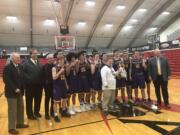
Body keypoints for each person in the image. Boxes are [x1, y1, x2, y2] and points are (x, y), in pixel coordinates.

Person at [3, 52, 29, 134]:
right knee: (12, 111)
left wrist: (23, 88)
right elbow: (6, 80)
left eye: (19, 57)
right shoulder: (8, 67)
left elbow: (22, 78)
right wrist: (15, 88)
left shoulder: (20, 67)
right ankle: (11, 128)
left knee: (20, 108)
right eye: (17, 58)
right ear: (12, 59)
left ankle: (20, 123)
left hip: (20, 92)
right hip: (11, 93)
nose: (19, 59)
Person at [23, 49, 43, 120]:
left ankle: (36, 112)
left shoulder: (39, 63)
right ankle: (30, 114)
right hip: (29, 86)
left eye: (36, 53)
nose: (35, 55)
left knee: (38, 100)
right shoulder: (26, 63)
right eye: (34, 53)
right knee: (29, 101)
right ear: (30, 54)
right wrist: (29, 80)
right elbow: (23, 74)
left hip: (39, 86)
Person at [52, 52, 71, 122]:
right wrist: (60, 71)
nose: (63, 60)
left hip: (63, 85)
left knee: (65, 99)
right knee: (56, 101)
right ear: (58, 60)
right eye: (61, 59)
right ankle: (55, 115)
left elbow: (64, 77)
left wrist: (66, 84)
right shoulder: (54, 67)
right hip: (57, 86)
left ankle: (63, 111)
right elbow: (54, 77)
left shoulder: (64, 67)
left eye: (63, 59)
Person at [42, 54, 54, 120]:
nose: (52, 59)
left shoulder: (54, 66)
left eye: (53, 58)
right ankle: (46, 113)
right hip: (47, 87)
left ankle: (52, 111)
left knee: (53, 100)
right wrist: (44, 86)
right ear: (48, 59)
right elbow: (43, 77)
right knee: (47, 100)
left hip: (54, 86)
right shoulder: (44, 67)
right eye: (51, 58)